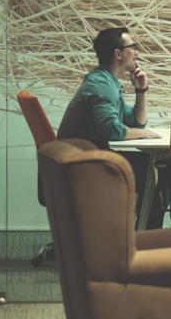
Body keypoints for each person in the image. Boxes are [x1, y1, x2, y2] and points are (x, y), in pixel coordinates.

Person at [57, 27, 164, 224]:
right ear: (118, 53)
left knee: (155, 168)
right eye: (132, 47)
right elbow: (112, 130)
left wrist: (141, 90)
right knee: (157, 176)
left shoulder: (109, 82)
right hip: (84, 164)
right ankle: (146, 240)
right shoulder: (102, 85)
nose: (137, 52)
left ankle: (141, 236)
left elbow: (135, 120)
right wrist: (143, 134)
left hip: (89, 157)